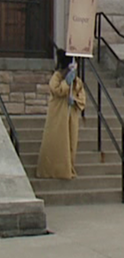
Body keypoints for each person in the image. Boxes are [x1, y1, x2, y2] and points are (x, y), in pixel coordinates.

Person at [36, 49, 87, 179]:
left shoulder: (77, 81)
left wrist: (74, 100)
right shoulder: (56, 78)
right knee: (56, 141)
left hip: (71, 116)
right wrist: (66, 83)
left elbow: (81, 98)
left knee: (70, 142)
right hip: (58, 116)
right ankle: (52, 169)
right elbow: (57, 90)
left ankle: (68, 168)